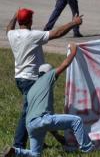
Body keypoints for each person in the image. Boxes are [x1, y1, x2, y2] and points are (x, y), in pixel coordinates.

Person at [6, 8, 83, 149]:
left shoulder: (12, 34)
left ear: (19, 21)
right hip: (31, 79)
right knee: (29, 113)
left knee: (35, 111)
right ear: (30, 21)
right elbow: (57, 33)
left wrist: (14, 16)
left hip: (20, 78)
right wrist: (74, 23)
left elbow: (9, 28)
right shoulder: (32, 36)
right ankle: (18, 146)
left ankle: (39, 140)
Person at [3, 43, 94, 157]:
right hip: (42, 120)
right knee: (76, 121)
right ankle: (88, 149)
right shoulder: (49, 76)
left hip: (30, 125)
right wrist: (73, 52)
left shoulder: (32, 89)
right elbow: (64, 65)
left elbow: (43, 120)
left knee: (35, 154)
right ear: (49, 72)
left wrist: (56, 135)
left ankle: (16, 151)